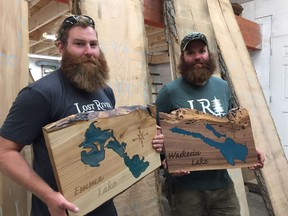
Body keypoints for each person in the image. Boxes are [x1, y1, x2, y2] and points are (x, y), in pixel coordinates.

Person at [0, 15, 164, 216]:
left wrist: (149, 139)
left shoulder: (105, 91)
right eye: (79, 44)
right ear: (61, 47)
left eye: (93, 44)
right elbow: (5, 153)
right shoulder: (40, 94)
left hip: (103, 205)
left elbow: (111, 136)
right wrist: (49, 196)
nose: (89, 51)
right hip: (59, 210)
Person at [155, 32, 265, 216]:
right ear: (183, 58)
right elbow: (153, 136)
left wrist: (250, 151)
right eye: (190, 52)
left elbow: (233, 128)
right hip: (185, 190)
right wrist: (167, 163)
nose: (197, 56)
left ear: (208, 54)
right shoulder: (169, 92)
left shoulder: (222, 87)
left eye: (202, 51)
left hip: (222, 186)